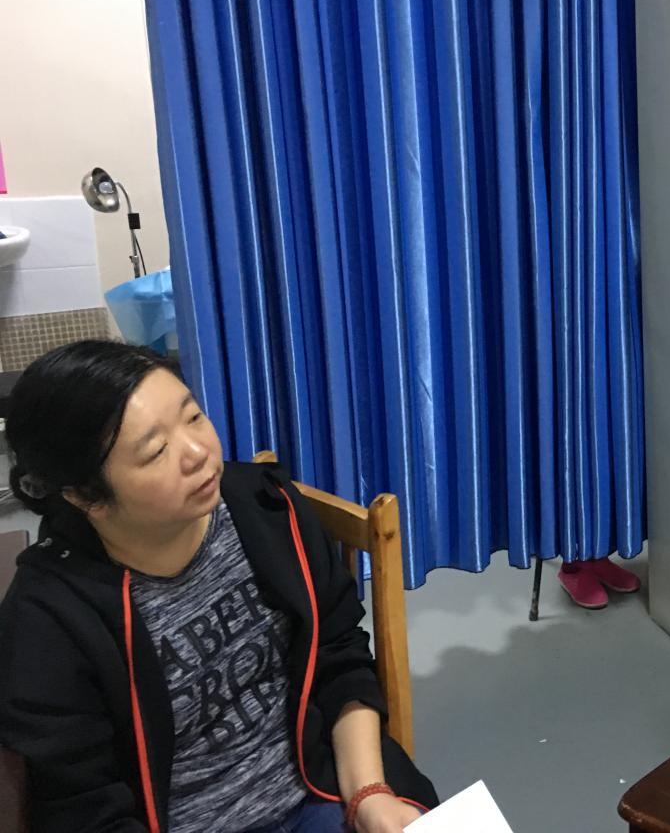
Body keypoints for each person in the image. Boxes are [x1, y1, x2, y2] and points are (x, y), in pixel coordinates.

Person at [0, 341, 440, 832]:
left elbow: (337, 656)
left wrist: (369, 794)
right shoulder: (48, 622)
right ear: (86, 496)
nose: (198, 452)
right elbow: (86, 809)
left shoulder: (267, 509)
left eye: (193, 417)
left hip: (321, 787)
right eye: (156, 451)